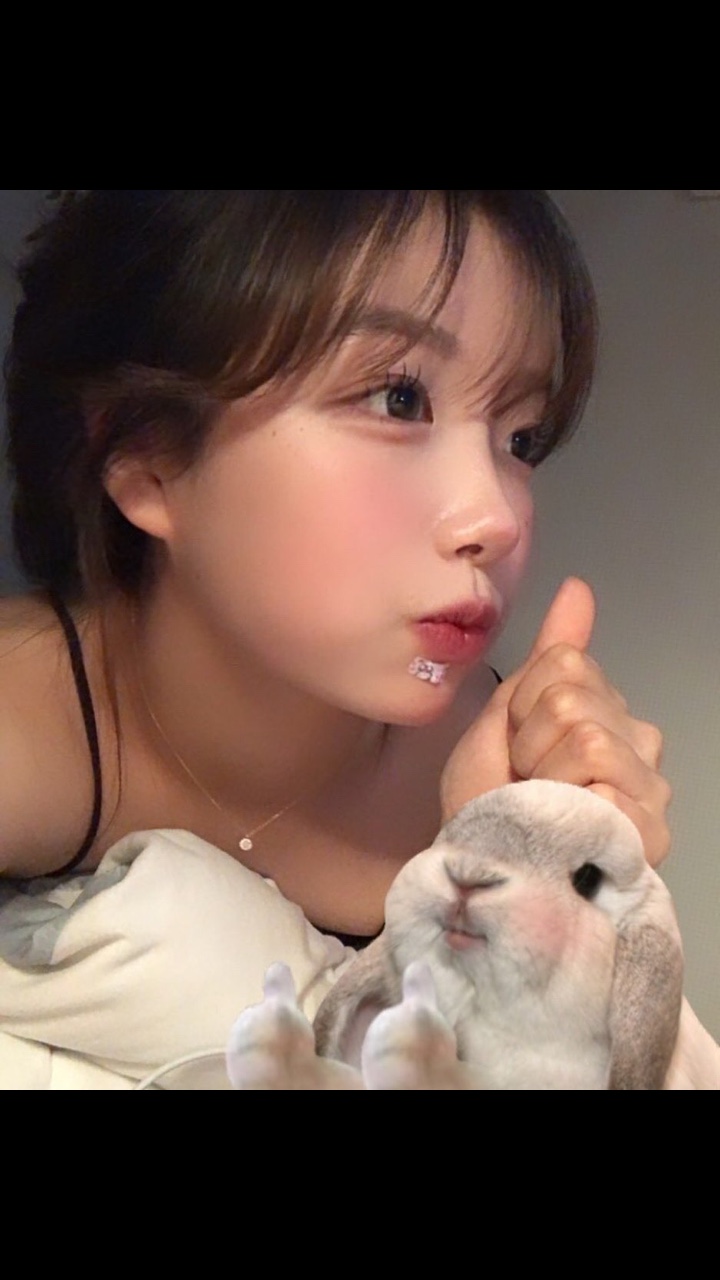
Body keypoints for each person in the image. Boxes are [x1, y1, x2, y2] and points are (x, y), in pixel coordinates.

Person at [0, 190, 716, 1089]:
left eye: (521, 438)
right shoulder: (33, 714)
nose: (495, 518)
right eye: (398, 398)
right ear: (147, 462)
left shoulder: (509, 773)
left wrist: (566, 893)